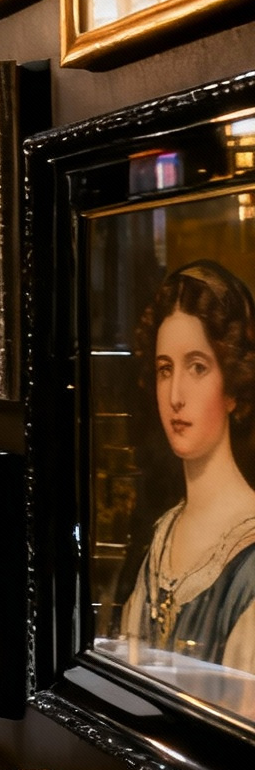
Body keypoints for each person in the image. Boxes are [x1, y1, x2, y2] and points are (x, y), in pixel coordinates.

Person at [120, 261, 255, 677]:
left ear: (232, 385)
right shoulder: (162, 534)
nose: (176, 395)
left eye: (197, 367)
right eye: (165, 370)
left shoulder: (249, 560)